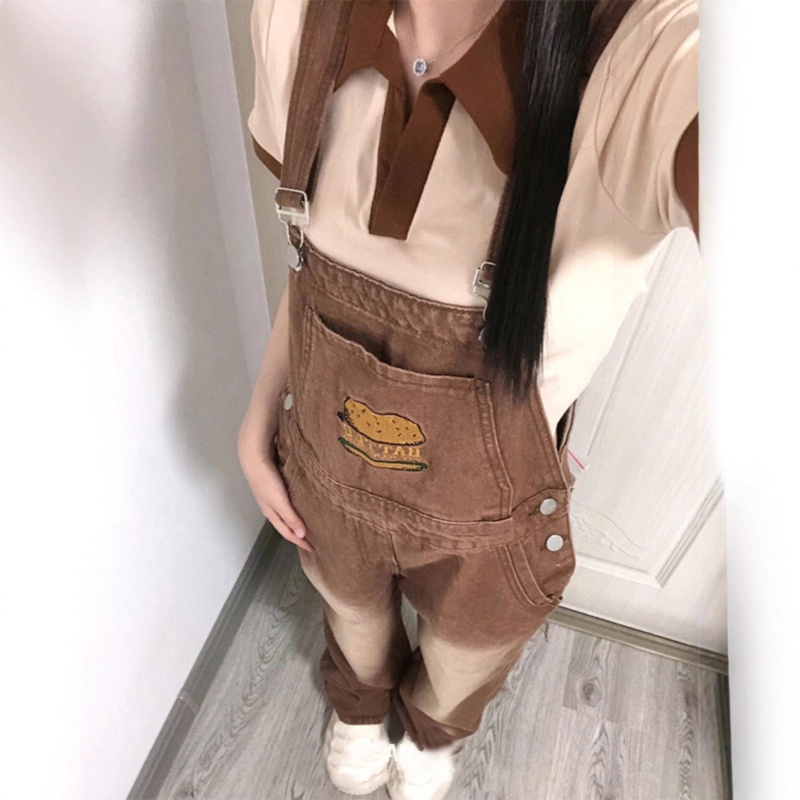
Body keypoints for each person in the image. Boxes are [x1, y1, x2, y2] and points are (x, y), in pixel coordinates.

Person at [238, 1, 699, 798]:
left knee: (464, 650)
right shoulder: (296, 17)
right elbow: (306, 262)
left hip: (487, 519)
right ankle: (359, 705)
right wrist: (258, 418)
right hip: (325, 463)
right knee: (347, 605)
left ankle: (432, 731)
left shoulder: (645, 54)